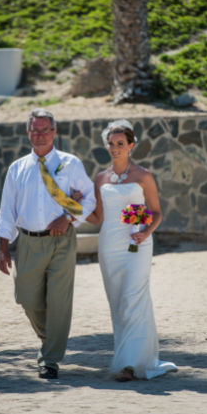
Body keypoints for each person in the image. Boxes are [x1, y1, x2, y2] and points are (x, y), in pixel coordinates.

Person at [0, 109, 96, 379]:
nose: (39, 135)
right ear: (28, 133)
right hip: (28, 241)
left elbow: (89, 200)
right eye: (34, 130)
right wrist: (3, 246)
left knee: (59, 301)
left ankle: (49, 359)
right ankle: (51, 339)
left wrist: (67, 217)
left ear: (54, 132)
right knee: (26, 298)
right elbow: (7, 210)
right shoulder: (17, 168)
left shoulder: (70, 163)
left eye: (45, 130)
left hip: (62, 240)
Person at [78, 120, 176, 382]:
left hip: (138, 244)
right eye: (111, 143)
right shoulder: (100, 178)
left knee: (134, 297)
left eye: (120, 143)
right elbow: (97, 217)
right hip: (109, 246)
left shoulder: (143, 176)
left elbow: (155, 212)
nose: (114, 148)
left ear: (131, 146)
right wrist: (75, 205)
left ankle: (129, 366)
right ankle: (136, 358)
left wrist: (146, 231)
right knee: (119, 303)